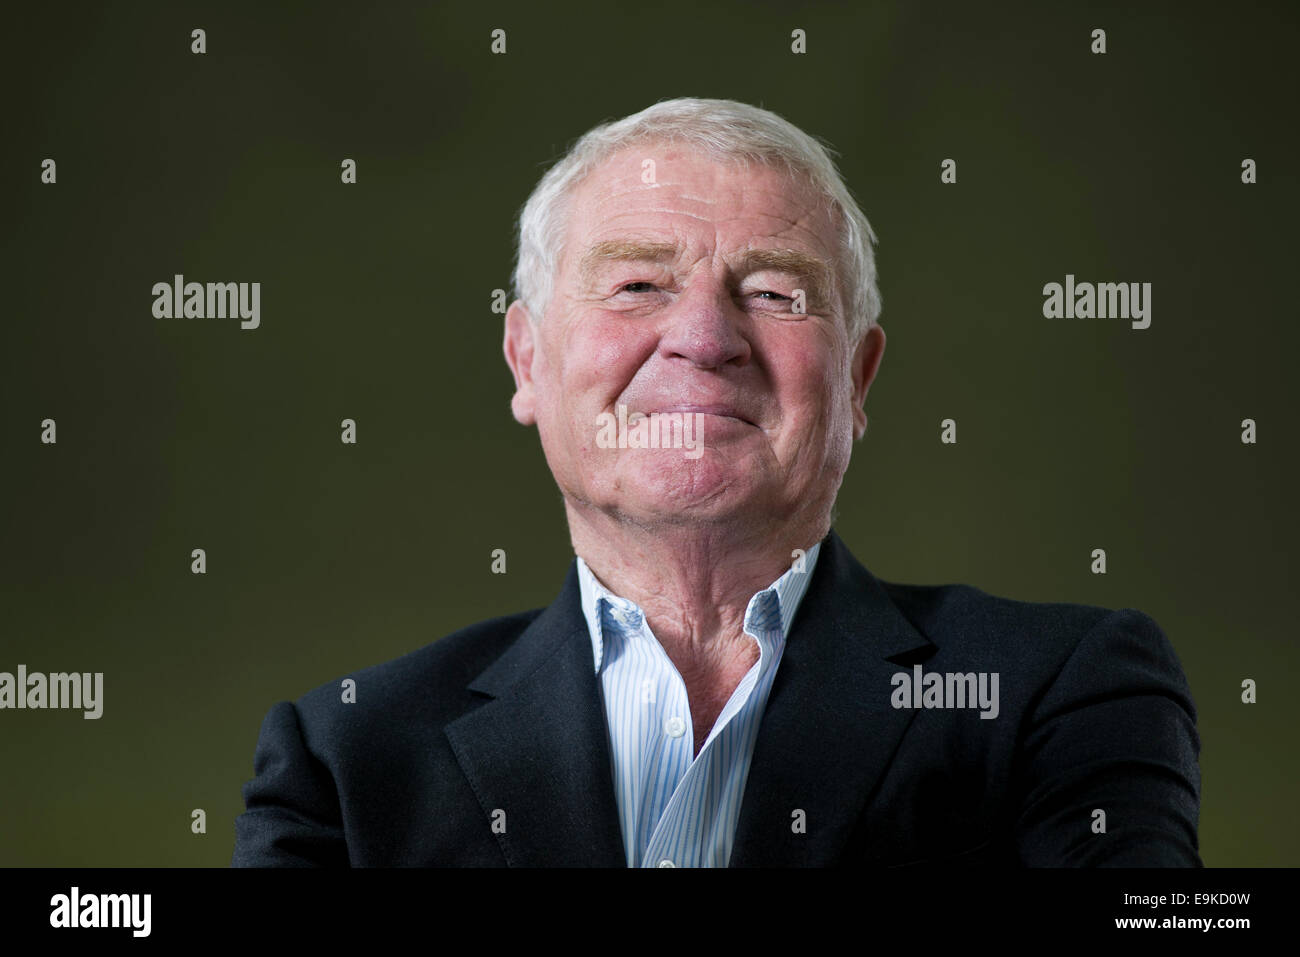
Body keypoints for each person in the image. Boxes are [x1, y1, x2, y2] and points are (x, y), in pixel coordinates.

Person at [231, 97, 1201, 867]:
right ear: (526, 362)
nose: (702, 340)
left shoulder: (1059, 691)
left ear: (856, 380)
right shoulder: (347, 757)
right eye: (638, 285)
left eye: (774, 293)